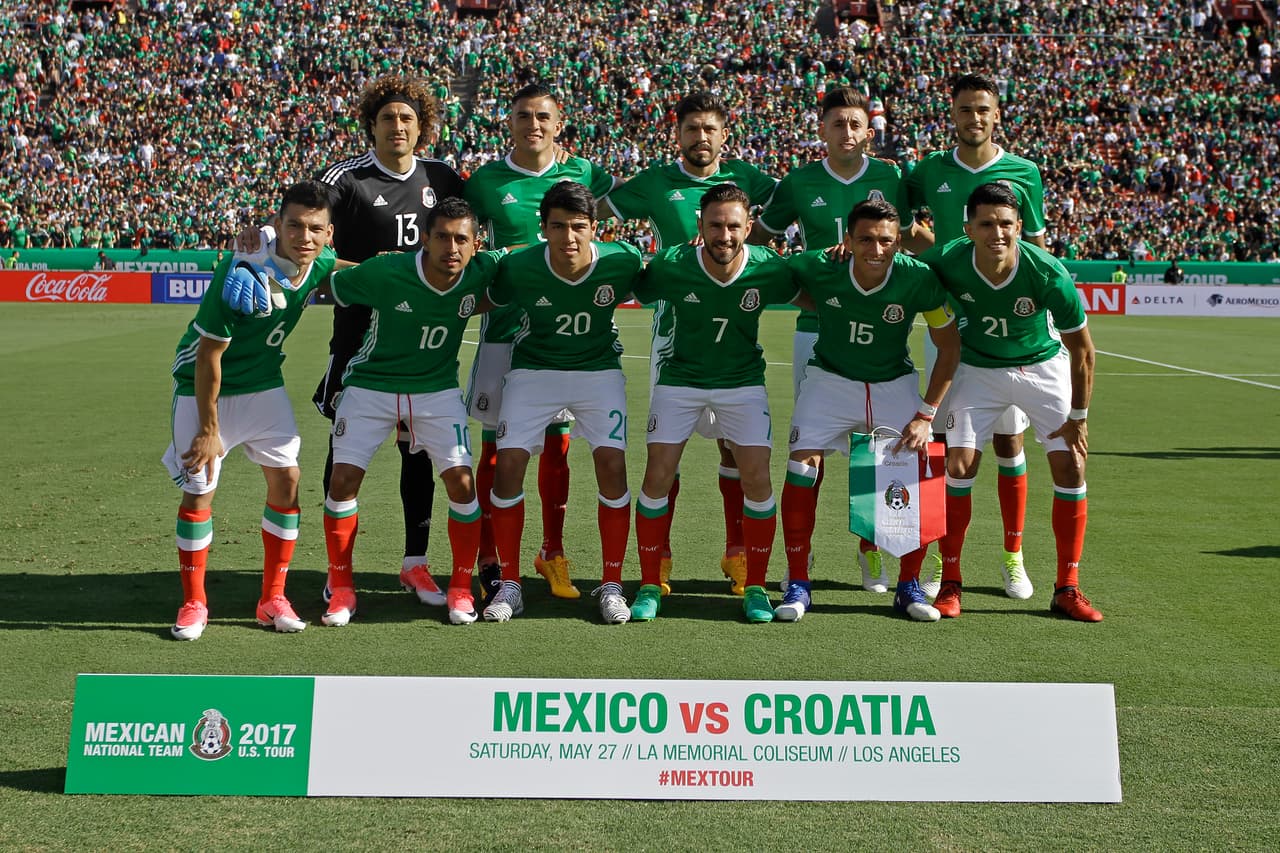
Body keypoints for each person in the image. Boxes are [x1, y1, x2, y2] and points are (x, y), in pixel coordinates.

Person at [241, 75, 466, 610]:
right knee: (345, 456)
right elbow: (299, 217)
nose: (397, 127)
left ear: (422, 128)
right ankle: (335, 573)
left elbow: (469, 233)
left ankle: (416, 563)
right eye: (387, 118)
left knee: (419, 451)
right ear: (371, 125)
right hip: (359, 340)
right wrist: (254, 244)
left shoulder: (442, 176)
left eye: (407, 119)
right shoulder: (348, 179)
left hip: (423, 345)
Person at [753, 86, 934, 595]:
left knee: (878, 451)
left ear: (868, 132)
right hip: (816, 331)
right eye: (837, 124)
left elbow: (914, 233)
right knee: (812, 451)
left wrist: (931, 255)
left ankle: (872, 550)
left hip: (879, 330)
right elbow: (760, 240)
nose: (846, 133)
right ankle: (801, 554)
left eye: (855, 125)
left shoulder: (892, 177)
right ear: (821, 130)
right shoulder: (800, 181)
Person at [602, 91, 778, 597]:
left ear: (726, 134)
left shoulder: (754, 180)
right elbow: (596, 210)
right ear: (676, 134)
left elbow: (789, 206)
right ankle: (660, 562)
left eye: (710, 129)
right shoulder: (655, 182)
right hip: (671, 336)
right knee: (666, 456)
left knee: (735, 447)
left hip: (734, 328)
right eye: (691, 129)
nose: (701, 138)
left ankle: (738, 552)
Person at [463, 83, 618, 606]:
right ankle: (490, 557)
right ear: (509, 123)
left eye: (543, 117)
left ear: (559, 123)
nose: (534, 124)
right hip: (504, 336)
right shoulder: (485, 181)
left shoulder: (588, 176)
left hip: (562, 342)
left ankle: (551, 552)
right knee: (496, 451)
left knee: (559, 446)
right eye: (524, 116)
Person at [163, 181, 338, 641]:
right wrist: (208, 429)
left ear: (328, 233)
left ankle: (271, 598)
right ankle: (194, 602)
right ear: (277, 225)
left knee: (288, 480)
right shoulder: (241, 265)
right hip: (203, 389)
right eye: (294, 225)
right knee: (200, 491)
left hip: (264, 386)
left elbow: (342, 268)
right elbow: (207, 358)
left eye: (315, 228)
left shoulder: (316, 263)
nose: (304, 236)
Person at [925, 183, 1101, 622]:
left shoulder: (1046, 271)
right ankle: (950, 582)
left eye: (1006, 224)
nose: (996, 233)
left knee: (1071, 466)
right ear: (969, 228)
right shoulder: (947, 260)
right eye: (986, 224)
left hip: (1041, 368)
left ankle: (1067, 587)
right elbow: (897, 268)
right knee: (959, 465)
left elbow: (1084, 351)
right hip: (977, 369)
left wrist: (1078, 418)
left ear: (1020, 227)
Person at [319, 197, 498, 627]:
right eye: (441, 237)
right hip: (370, 385)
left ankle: (459, 586)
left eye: (461, 239)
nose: (450, 248)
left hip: (436, 390)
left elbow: (524, 265)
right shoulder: (388, 270)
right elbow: (330, 281)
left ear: (477, 245)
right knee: (343, 480)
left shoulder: (483, 272)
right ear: (424, 239)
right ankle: (340, 585)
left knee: (462, 482)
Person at [780, 200, 960, 622]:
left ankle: (909, 585)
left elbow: (949, 346)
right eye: (865, 239)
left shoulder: (919, 279)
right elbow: (776, 272)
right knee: (801, 467)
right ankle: (798, 583)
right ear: (847, 240)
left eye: (885, 241)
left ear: (899, 243)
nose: (875, 250)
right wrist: (821, 301)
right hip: (829, 379)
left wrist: (926, 413)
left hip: (893, 383)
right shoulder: (820, 265)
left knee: (921, 466)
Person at [905, 72, 1048, 601]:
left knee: (1010, 440)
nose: (974, 118)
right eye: (965, 110)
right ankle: (946, 559)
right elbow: (905, 227)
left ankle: (1013, 555)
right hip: (946, 326)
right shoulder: (928, 171)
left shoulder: (1024, 172)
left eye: (982, 109)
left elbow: (1036, 247)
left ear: (996, 115)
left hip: (1006, 333)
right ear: (954, 115)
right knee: (943, 445)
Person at [628, 184, 798, 623]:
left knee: (757, 479)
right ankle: (649, 584)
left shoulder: (768, 268)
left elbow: (815, 292)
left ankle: (756, 587)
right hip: (680, 380)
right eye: (716, 225)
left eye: (734, 226)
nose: (725, 235)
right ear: (700, 227)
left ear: (749, 228)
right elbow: (637, 290)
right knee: (657, 477)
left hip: (742, 383)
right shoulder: (672, 264)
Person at [481, 181, 643, 624]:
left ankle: (612, 584)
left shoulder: (624, 259)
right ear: (543, 228)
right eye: (558, 227)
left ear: (594, 228)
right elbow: (479, 297)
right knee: (508, 462)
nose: (568, 238)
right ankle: (510, 584)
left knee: (611, 463)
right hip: (534, 370)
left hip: (598, 370)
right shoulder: (520, 266)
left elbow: (661, 279)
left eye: (578, 227)